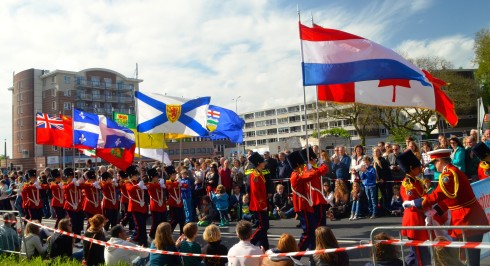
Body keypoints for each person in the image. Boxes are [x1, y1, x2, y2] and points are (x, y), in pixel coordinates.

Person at [404, 149, 490, 266]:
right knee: (462, 257)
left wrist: (415, 203)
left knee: (470, 260)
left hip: (467, 220)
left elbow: (437, 195)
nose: (434, 166)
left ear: (439, 160)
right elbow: (449, 198)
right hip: (465, 220)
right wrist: (434, 212)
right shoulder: (451, 172)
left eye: (434, 163)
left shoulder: (448, 174)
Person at [396, 150, 430, 266]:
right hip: (413, 219)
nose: (420, 168)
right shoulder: (407, 183)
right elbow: (411, 202)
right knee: (420, 253)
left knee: (416, 251)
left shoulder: (417, 181)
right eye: (418, 167)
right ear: (411, 168)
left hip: (419, 217)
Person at [247, 152, 272, 250]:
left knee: (265, 227)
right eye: (262, 162)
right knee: (263, 226)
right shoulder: (255, 175)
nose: (264, 163)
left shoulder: (259, 173)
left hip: (262, 203)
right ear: (258, 163)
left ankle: (265, 247)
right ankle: (251, 241)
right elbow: (256, 192)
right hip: (259, 204)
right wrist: (262, 204)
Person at [124, 165, 148, 246]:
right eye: (135, 175)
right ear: (131, 176)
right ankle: (132, 240)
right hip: (135, 207)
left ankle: (143, 241)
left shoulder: (138, 182)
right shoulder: (128, 182)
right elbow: (130, 189)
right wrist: (138, 186)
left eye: (137, 175)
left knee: (143, 226)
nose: (137, 176)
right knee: (138, 226)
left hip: (142, 207)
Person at [165, 165, 188, 235]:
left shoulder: (177, 182)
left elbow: (186, 186)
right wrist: (178, 183)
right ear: (170, 175)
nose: (175, 175)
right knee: (174, 219)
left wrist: (180, 183)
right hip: (173, 203)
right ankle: (168, 232)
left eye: (175, 174)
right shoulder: (167, 182)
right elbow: (171, 186)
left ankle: (182, 234)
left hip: (179, 203)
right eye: (173, 174)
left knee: (182, 219)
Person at [63, 168, 84, 239]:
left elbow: (83, 186)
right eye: (70, 177)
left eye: (72, 177)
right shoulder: (64, 184)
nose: (71, 178)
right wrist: (72, 183)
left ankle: (78, 238)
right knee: (73, 223)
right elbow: (65, 189)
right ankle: (73, 238)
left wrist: (80, 179)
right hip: (70, 206)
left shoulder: (76, 184)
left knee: (79, 222)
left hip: (78, 206)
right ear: (66, 178)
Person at [146, 168, 167, 239]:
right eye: (156, 177)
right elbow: (151, 188)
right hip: (155, 205)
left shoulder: (158, 184)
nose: (157, 178)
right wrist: (160, 184)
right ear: (152, 177)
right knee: (155, 223)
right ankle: (151, 235)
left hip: (162, 205)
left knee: (164, 221)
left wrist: (162, 185)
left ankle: (162, 235)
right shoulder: (149, 184)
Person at [372, 147, 394, 212]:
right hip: (375, 180)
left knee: (384, 194)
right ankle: (378, 209)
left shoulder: (382, 160)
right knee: (376, 195)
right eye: (374, 152)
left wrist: (382, 178)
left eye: (377, 151)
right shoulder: (373, 160)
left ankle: (386, 208)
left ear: (380, 152)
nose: (376, 153)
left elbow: (386, 170)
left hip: (382, 180)